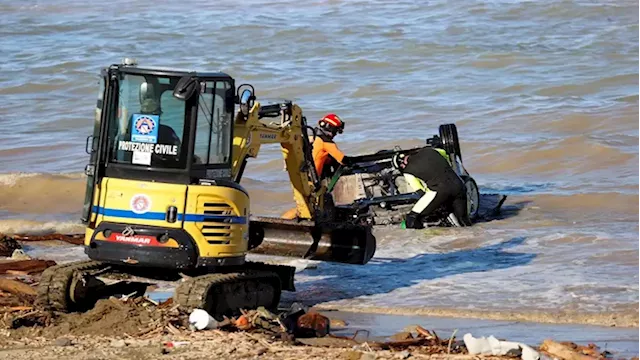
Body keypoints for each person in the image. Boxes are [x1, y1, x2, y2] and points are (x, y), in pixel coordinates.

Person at [392, 147, 472, 229]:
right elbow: (445, 153)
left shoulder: (407, 171)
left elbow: (420, 192)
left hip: (440, 191)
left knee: (411, 220)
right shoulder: (431, 150)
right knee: (464, 221)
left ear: (402, 165)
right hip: (459, 186)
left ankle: (427, 238)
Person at [311, 113, 355, 180]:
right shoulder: (325, 141)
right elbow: (342, 160)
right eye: (335, 131)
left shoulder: (312, 137)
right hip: (314, 178)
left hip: (306, 175)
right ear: (329, 128)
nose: (335, 134)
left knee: (329, 159)